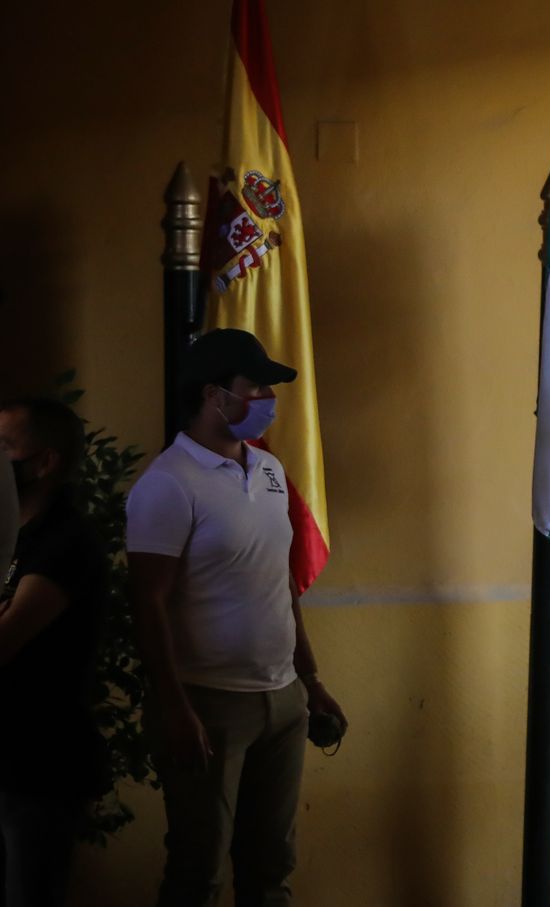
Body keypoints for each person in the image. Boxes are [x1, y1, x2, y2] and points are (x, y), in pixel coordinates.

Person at [127, 328, 347, 907]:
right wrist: (174, 705)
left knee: (271, 865)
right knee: (198, 868)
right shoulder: (168, 485)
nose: (266, 401)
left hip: (282, 700)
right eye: (255, 388)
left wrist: (310, 681)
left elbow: (280, 581)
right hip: (208, 702)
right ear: (212, 395)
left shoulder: (269, 471)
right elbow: (148, 602)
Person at [0, 397, 109, 907]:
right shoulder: (11, 537)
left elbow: (6, 638)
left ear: (44, 463)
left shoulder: (64, 542)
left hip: (37, 770)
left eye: (5, 448)